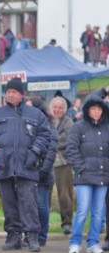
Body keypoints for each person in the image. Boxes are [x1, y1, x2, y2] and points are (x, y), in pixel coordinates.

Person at [0, 78, 51, 252]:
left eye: (14, 92)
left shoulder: (35, 115)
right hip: (3, 165)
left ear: (22, 94)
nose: (10, 94)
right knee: (8, 203)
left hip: (27, 165)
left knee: (29, 202)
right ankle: (13, 235)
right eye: (8, 92)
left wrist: (34, 152)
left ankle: (32, 235)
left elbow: (45, 136)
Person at [66, 91, 109, 253]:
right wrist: (80, 167)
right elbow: (71, 148)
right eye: (93, 109)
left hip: (103, 176)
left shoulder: (107, 128)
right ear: (88, 110)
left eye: (99, 109)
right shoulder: (78, 126)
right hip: (84, 176)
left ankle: (93, 243)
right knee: (83, 209)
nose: (97, 112)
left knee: (98, 212)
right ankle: (75, 242)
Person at [26, 97, 58, 248]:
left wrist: (43, 171)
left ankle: (42, 235)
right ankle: (30, 234)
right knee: (29, 204)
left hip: (43, 173)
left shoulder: (49, 124)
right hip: (28, 170)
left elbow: (51, 151)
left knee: (41, 205)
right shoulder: (27, 123)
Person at [50, 96, 75, 235]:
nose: (57, 109)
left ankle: (67, 223)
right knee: (44, 195)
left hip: (63, 162)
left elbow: (68, 139)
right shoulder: (46, 120)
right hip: (46, 162)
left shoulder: (68, 121)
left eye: (60, 107)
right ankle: (42, 224)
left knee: (65, 194)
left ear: (64, 109)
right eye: (55, 107)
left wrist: (52, 141)